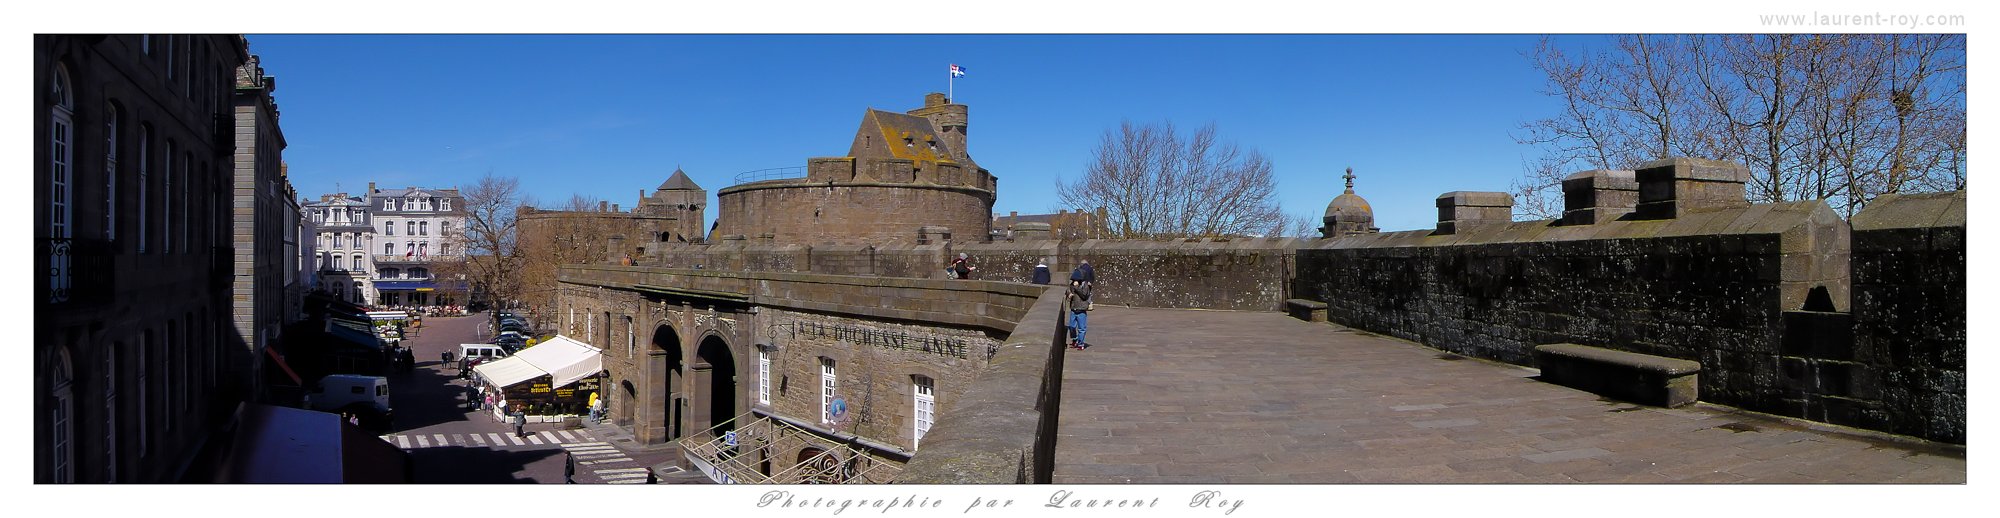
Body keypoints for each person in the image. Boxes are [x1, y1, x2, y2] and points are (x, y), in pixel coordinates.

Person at [1066, 275, 1092, 350]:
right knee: (1071, 326)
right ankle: (1075, 339)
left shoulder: (1085, 285)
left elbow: (1084, 296)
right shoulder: (1072, 284)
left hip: (1081, 309)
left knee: (1081, 328)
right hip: (1073, 308)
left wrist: (1077, 287)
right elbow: (1068, 290)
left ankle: (1081, 344)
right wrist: (1069, 294)